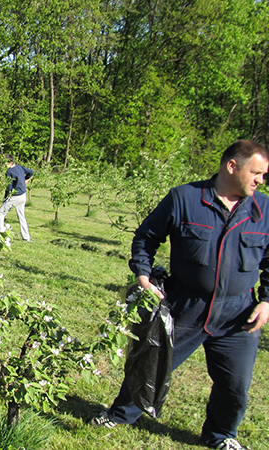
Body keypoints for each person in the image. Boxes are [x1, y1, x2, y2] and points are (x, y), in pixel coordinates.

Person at [91, 140, 269, 450]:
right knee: (152, 364)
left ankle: (222, 435)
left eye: (263, 175)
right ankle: (120, 415)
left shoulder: (262, 209)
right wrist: (143, 275)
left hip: (237, 315)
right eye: (256, 173)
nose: (260, 180)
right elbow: (147, 236)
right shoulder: (185, 198)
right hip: (186, 305)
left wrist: (266, 300)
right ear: (232, 166)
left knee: (235, 385)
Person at [0, 155, 34, 242]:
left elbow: (8, 186)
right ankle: (26, 237)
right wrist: (26, 179)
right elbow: (31, 172)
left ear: (11, 162)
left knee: (0, 212)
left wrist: (5, 197)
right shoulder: (20, 167)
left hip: (15, 197)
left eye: (5, 163)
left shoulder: (9, 172)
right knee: (21, 216)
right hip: (23, 195)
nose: (4, 165)